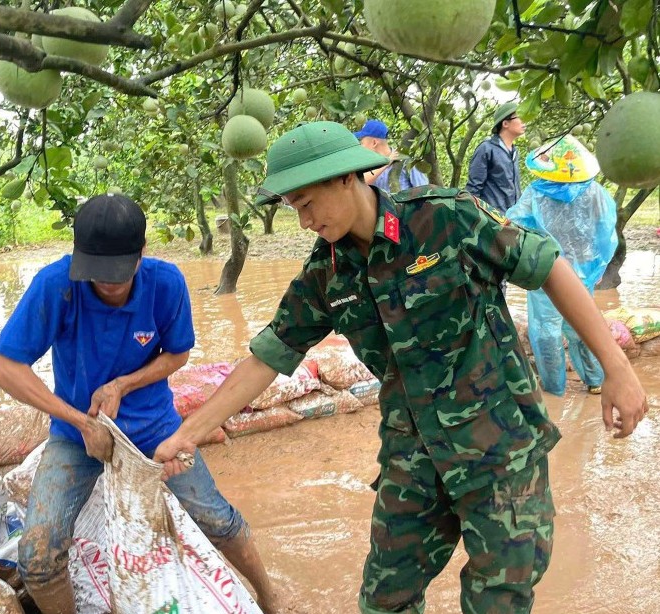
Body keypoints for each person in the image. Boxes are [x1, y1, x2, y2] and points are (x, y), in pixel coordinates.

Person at [154, 122, 649, 614]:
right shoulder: (326, 273)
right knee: (384, 602)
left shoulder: (448, 218)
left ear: (346, 178)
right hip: (413, 461)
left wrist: (616, 368)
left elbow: (549, 268)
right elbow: (267, 358)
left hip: (500, 451)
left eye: (306, 203)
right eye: (292, 208)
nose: (303, 221)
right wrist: (189, 433)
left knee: (499, 600)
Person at [0, 194, 283, 614]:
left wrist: (124, 385)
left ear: (142, 253)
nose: (107, 284)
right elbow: (3, 368)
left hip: (154, 429)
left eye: (118, 274)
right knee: (37, 558)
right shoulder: (56, 286)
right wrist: (81, 422)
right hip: (77, 436)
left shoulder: (166, 283)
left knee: (216, 519)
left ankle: (270, 597)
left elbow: (177, 354)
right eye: (97, 274)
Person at [507, 135, 618, 396]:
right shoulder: (592, 193)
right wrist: (599, 269)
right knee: (579, 325)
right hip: (570, 271)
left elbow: (512, 225)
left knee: (551, 331)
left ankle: (557, 388)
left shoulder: (544, 192)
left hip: (546, 269)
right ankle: (588, 381)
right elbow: (606, 236)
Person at [466, 101, 525, 212]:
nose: (523, 121)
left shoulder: (514, 152)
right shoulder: (486, 149)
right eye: (519, 117)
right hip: (492, 220)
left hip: (511, 219)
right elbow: (473, 189)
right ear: (505, 124)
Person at [355, 119, 429, 192]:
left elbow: (424, 192)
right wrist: (387, 162)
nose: (361, 146)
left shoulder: (406, 161)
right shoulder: (369, 166)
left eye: (362, 143)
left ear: (374, 143)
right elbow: (362, 183)